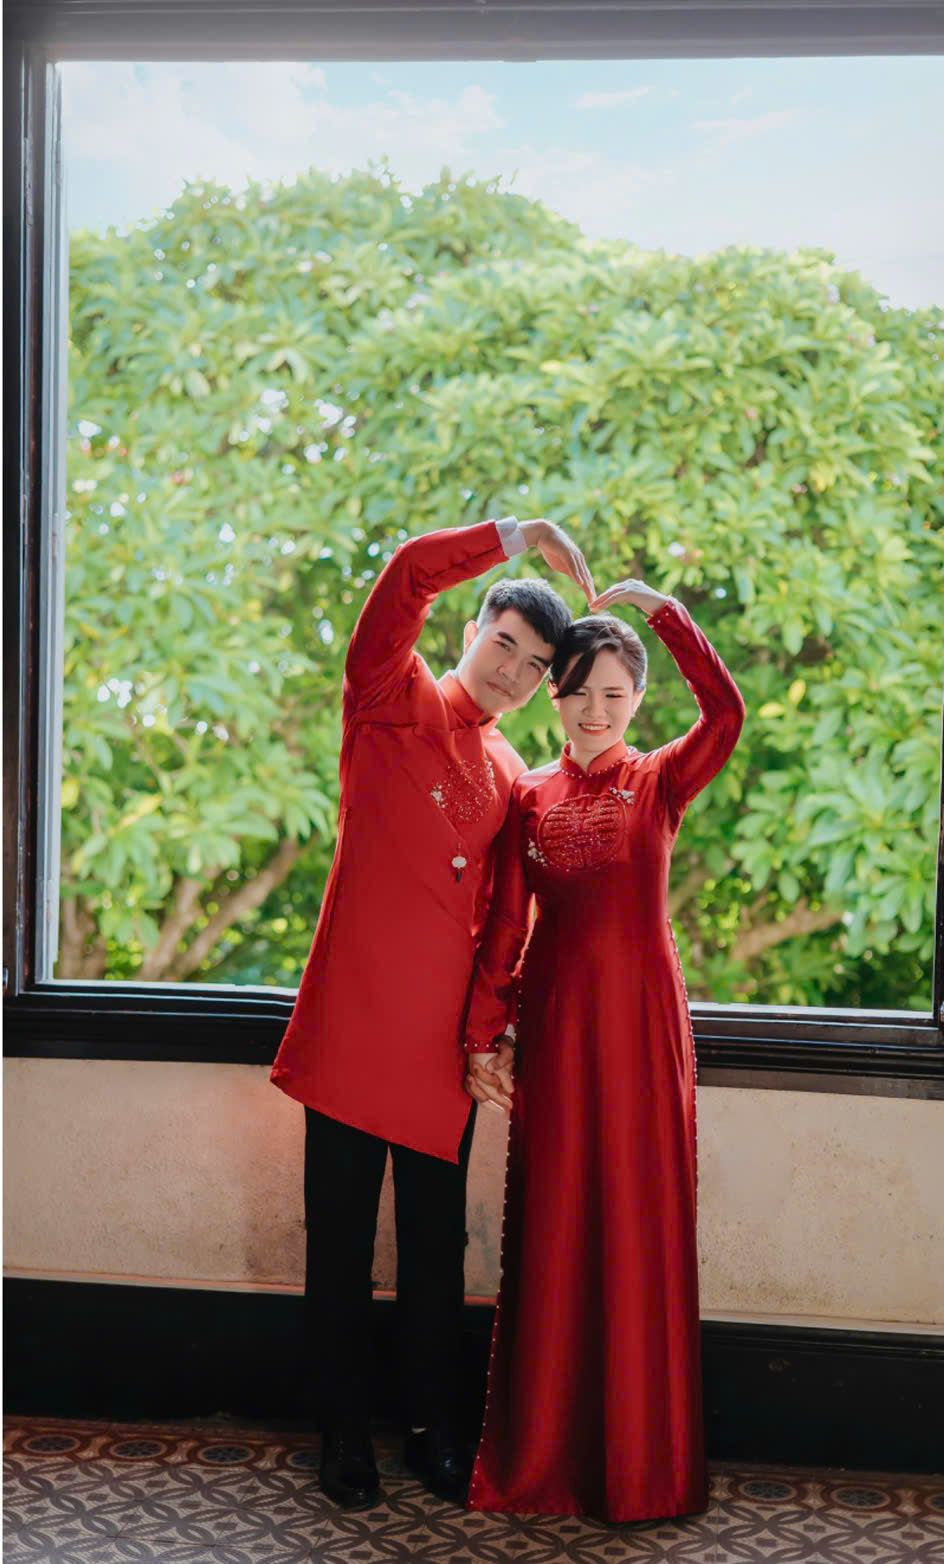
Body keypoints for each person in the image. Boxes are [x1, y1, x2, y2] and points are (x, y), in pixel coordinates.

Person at [270, 514, 593, 1510]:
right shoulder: (388, 694)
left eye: (534, 666)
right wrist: (518, 534)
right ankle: (340, 1433)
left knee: (434, 1251)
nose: (513, 672)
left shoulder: (511, 774)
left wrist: (488, 1032)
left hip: (441, 1047)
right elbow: (408, 572)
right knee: (337, 1243)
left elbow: (504, 919)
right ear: (471, 632)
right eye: (505, 644)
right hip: (352, 1023)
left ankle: (431, 1431)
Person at [463, 578, 745, 1523]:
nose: (596, 709)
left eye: (615, 694)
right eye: (580, 690)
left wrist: (667, 615)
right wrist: (483, 1036)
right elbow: (506, 926)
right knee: (554, 1222)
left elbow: (728, 714)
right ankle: (546, 1456)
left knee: (636, 1218)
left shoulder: (661, 781)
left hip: (642, 1026)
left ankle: (641, 1466)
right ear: (555, 694)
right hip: (554, 1025)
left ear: (637, 699)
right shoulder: (526, 796)